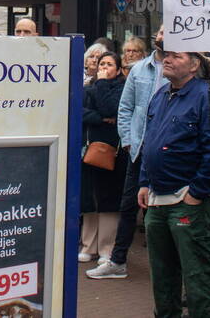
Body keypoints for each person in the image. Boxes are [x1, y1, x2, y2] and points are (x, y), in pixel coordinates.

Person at [138, 49, 210, 318]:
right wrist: (144, 180)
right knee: (163, 279)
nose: (166, 59)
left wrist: (197, 192)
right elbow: (149, 139)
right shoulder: (160, 95)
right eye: (165, 54)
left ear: (194, 64)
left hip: (189, 203)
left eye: (176, 56)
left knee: (199, 280)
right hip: (156, 201)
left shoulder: (206, 96)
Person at [88, 25, 164, 280]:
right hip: (138, 150)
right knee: (128, 205)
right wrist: (129, 140)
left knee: (160, 210)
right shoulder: (140, 70)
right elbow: (125, 108)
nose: (161, 36)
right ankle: (117, 260)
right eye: (159, 32)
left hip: (165, 151)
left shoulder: (181, 69)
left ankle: (166, 267)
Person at [79, 52, 128, 264]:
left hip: (113, 151)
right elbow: (80, 111)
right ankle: (88, 245)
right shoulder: (87, 87)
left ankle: (107, 247)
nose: (104, 67)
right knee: (90, 198)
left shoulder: (121, 88)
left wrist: (102, 85)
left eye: (109, 64)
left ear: (118, 70)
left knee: (109, 199)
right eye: (102, 64)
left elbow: (111, 107)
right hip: (90, 149)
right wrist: (101, 119)